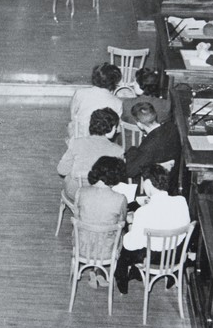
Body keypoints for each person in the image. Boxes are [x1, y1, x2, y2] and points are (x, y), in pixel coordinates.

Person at [114, 164, 190, 294]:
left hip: (153, 258)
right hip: (175, 255)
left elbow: (131, 245)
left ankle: (123, 283)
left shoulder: (143, 213)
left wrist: (131, 225)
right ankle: (170, 277)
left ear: (148, 183)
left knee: (125, 249)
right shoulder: (181, 201)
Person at [75, 156, 129, 289]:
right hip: (106, 251)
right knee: (120, 232)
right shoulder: (120, 198)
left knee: (95, 228)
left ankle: (95, 271)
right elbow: (122, 222)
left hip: (82, 246)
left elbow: (77, 217)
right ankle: (100, 271)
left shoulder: (80, 192)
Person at [57, 108, 125, 201]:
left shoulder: (76, 143)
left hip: (76, 193)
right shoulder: (118, 151)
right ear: (111, 128)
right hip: (103, 196)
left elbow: (62, 170)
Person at [124, 102, 181, 183]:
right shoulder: (171, 126)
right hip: (173, 176)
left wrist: (132, 150)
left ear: (139, 124)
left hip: (156, 181)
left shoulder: (148, 146)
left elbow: (130, 171)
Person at [68, 63, 123, 139]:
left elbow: (73, 115)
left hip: (79, 136)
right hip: (102, 140)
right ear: (114, 83)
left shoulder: (80, 93)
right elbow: (117, 129)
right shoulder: (118, 102)